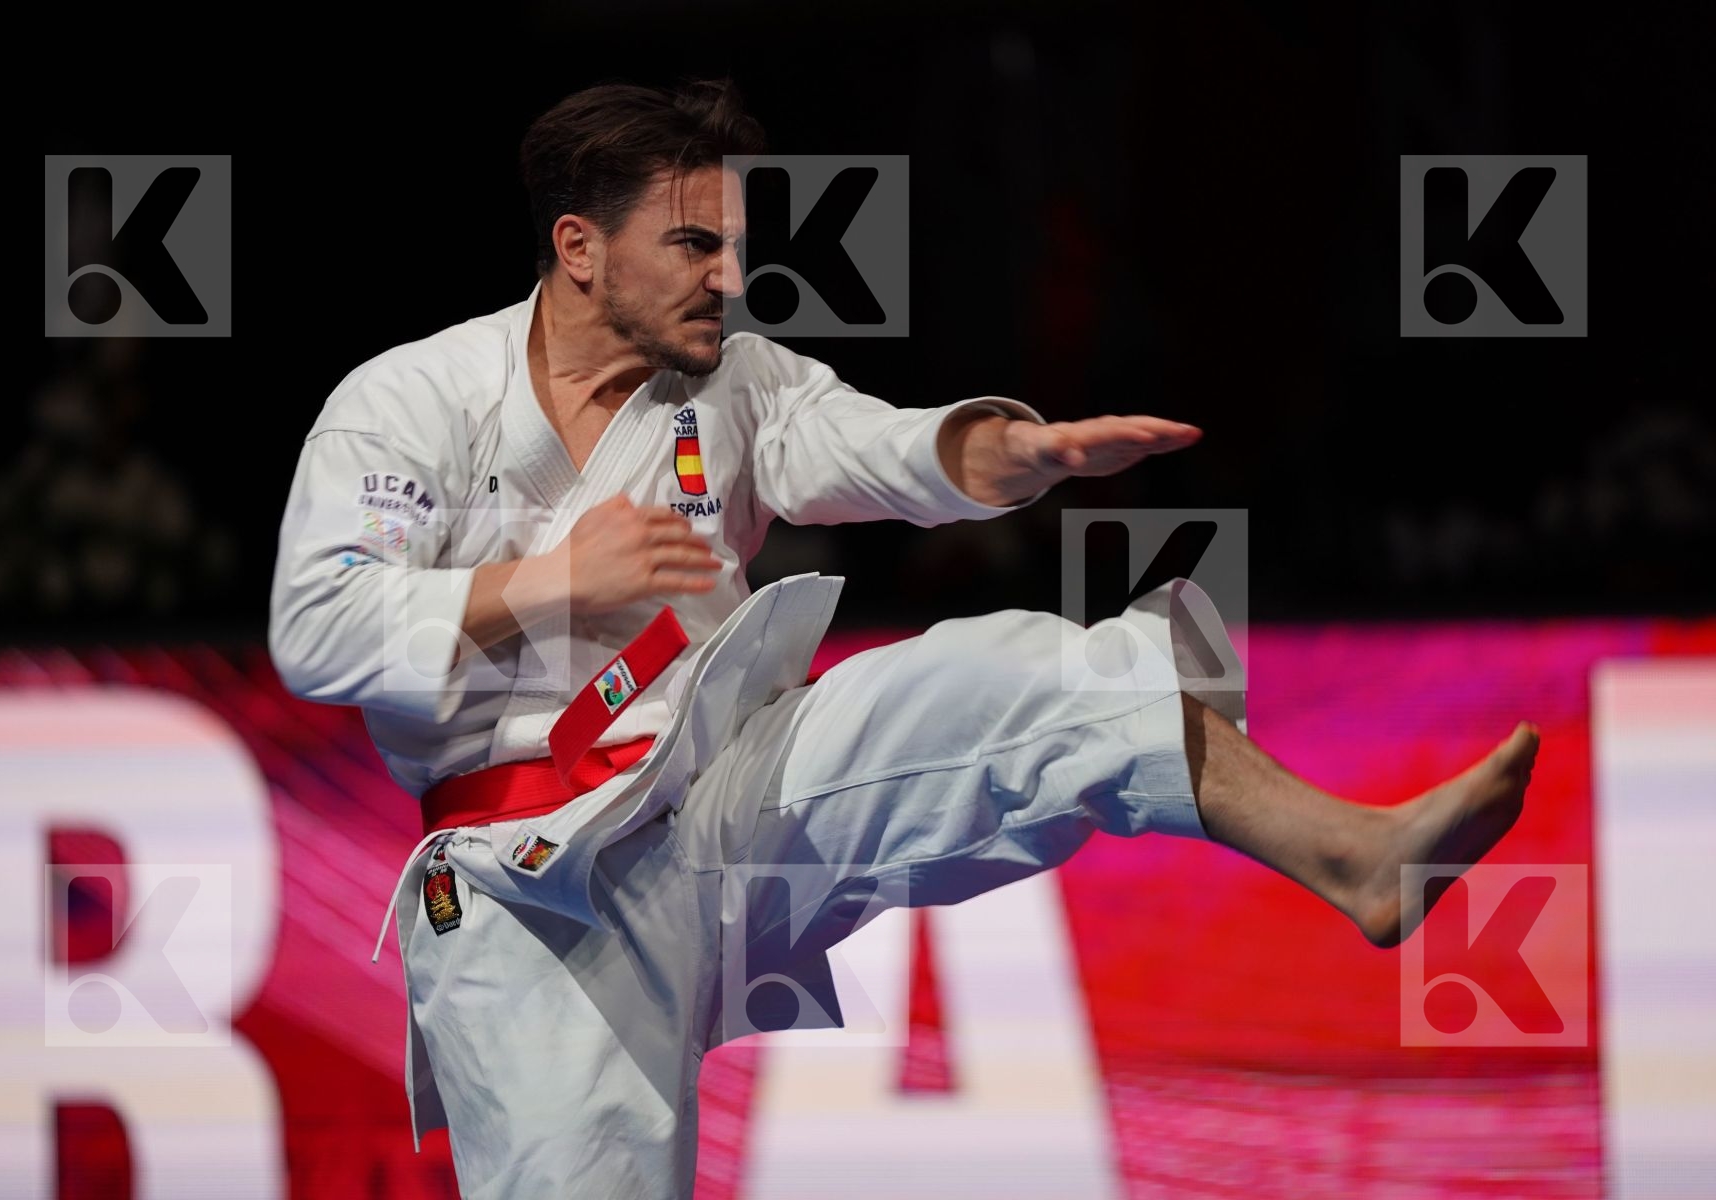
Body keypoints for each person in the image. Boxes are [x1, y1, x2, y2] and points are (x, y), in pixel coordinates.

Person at [267, 79, 1539, 1199]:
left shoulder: (738, 385)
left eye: (737, 246)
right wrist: (547, 582)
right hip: (524, 884)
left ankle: (1357, 855)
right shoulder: (410, 401)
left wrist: (1009, 451)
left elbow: (873, 445)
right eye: (694, 244)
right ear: (579, 247)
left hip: (733, 806)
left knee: (1020, 672)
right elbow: (314, 627)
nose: (729, 276)